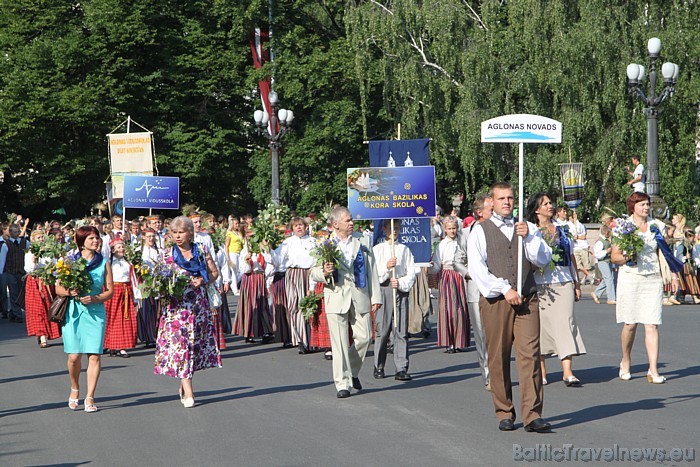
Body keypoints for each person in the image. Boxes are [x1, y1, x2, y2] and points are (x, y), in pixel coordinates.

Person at [467, 182, 552, 433]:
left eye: (510, 198)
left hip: (527, 298)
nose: (506, 202)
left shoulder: (527, 228)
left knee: (530, 355)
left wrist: (530, 238)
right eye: (501, 198)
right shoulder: (480, 231)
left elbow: (542, 259)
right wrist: (504, 288)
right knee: (498, 356)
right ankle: (504, 411)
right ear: (491, 202)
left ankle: (532, 413)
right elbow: (478, 270)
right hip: (496, 301)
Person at [310, 206, 381, 398]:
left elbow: (371, 268)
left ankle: (352, 371)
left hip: (360, 295)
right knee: (339, 344)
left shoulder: (362, 240)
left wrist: (376, 296)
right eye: (348, 220)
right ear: (335, 225)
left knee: (365, 337)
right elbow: (313, 271)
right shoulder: (325, 244)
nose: (352, 223)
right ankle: (342, 383)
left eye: (351, 220)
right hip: (336, 296)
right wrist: (323, 272)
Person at [612, 192, 683, 384]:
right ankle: (626, 360)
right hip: (630, 277)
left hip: (652, 279)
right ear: (632, 206)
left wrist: (674, 275)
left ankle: (653, 370)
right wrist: (628, 255)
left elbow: (666, 253)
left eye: (647, 204)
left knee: (652, 323)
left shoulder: (656, 226)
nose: (646, 207)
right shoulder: (622, 227)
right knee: (630, 324)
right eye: (642, 204)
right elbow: (614, 257)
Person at [154, 216, 221, 408]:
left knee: (193, 349)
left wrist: (203, 280)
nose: (177, 236)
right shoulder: (166, 255)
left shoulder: (201, 250)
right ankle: (190, 392)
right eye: (174, 232)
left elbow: (214, 273)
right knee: (181, 348)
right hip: (176, 310)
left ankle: (184, 384)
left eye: (181, 232)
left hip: (198, 308)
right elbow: (158, 283)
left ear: (190, 233)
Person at [527, 193, 586, 387]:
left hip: (564, 280)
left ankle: (567, 371)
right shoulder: (531, 231)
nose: (550, 206)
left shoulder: (563, 229)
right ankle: (542, 371)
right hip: (540, 283)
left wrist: (576, 282)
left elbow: (571, 256)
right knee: (542, 326)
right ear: (537, 209)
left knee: (566, 322)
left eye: (551, 203)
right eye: (545, 204)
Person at [56, 226, 114, 413]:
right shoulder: (69, 262)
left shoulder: (103, 262)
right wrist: (69, 292)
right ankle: (75, 388)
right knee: (74, 357)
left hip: (95, 312)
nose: (95, 241)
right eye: (91, 238)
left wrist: (95, 298)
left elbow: (110, 290)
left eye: (96, 238)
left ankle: (90, 396)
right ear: (81, 241)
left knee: (94, 355)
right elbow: (58, 289)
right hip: (74, 311)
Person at [454, 193, 492, 391]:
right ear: (479, 212)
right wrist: (469, 273)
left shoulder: (498, 230)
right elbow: (457, 261)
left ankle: (499, 371)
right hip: (475, 290)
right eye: (490, 209)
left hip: (496, 289)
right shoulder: (466, 233)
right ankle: (488, 375)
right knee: (482, 335)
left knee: (498, 334)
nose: (493, 213)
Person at [372, 219, 416, 381]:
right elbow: (374, 273)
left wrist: (401, 283)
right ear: (384, 229)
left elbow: (411, 272)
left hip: (399, 291)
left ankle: (401, 367)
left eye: (397, 228)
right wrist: (386, 267)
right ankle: (379, 365)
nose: (394, 231)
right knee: (383, 331)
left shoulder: (404, 249)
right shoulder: (377, 250)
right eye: (391, 228)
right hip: (384, 290)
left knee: (401, 331)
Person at [277, 216, 317, 352]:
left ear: (306, 227)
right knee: (294, 306)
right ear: (292, 228)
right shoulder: (287, 243)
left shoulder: (313, 241)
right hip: (293, 274)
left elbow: (316, 260)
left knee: (309, 305)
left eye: (301, 225)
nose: (299, 228)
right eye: (296, 226)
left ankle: (311, 339)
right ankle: (299, 339)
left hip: (309, 274)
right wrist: (266, 250)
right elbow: (277, 259)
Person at [431, 216, 470, 353]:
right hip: (446, 276)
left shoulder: (462, 242)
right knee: (447, 309)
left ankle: (459, 341)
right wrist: (430, 267)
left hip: (459, 275)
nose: (452, 231)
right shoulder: (441, 245)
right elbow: (437, 265)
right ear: (445, 230)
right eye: (449, 229)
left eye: (454, 228)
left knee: (459, 309)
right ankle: (449, 342)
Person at [24, 230, 61, 347]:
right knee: (37, 309)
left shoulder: (49, 252)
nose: (41, 240)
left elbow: (54, 267)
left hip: (47, 282)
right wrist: (34, 260)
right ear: (33, 240)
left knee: (48, 308)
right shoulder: (30, 253)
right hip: (35, 282)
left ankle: (47, 333)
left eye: (42, 237)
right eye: (38, 238)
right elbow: (29, 269)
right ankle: (42, 335)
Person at [234, 240, 275, 344]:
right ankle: (249, 332)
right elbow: (244, 270)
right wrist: (246, 260)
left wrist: (268, 281)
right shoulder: (245, 251)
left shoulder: (264, 250)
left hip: (260, 278)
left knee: (263, 304)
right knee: (250, 305)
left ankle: (266, 331)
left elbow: (270, 266)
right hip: (249, 278)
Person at [103, 238, 138, 358]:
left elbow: (133, 279)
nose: (121, 249)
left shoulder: (128, 263)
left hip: (126, 292)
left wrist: (136, 296)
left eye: (122, 247)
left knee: (124, 319)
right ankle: (111, 345)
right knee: (111, 318)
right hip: (113, 291)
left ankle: (122, 347)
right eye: (118, 247)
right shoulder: (109, 263)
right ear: (113, 250)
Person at [138, 228, 161, 348]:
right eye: (149, 236)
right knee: (146, 309)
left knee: (156, 310)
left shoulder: (157, 250)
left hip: (156, 283)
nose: (151, 239)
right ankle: (147, 336)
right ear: (143, 237)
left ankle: (155, 335)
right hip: (144, 283)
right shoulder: (140, 250)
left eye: (153, 236)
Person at [591, 224, 617, 305]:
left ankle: (596, 293)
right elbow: (597, 254)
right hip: (602, 262)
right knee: (609, 279)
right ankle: (611, 298)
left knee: (608, 279)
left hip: (607, 261)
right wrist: (606, 251)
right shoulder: (600, 242)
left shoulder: (605, 240)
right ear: (606, 233)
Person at [673, 229, 700, 304]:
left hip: (689, 266)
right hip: (683, 266)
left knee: (691, 280)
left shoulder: (691, 246)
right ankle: (681, 297)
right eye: (691, 237)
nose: (693, 239)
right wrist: (685, 257)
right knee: (684, 281)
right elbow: (679, 256)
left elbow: (694, 255)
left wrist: (696, 261)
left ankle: (694, 296)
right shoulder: (682, 246)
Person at [224, 216, 244, 295]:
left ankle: (233, 284)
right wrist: (227, 256)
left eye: (238, 223)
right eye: (236, 224)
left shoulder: (239, 233)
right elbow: (226, 245)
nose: (237, 225)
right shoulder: (229, 233)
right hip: (232, 252)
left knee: (241, 270)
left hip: (239, 253)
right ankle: (235, 289)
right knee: (234, 271)